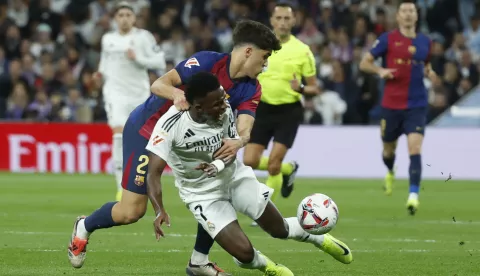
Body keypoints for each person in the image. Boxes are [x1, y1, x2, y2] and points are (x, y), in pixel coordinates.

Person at [68, 20, 281, 276]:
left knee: (220, 186)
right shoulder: (207, 62)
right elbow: (158, 84)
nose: (265, 64)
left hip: (192, 141)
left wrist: (241, 140)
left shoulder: (251, 87)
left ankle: (199, 262)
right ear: (248, 51)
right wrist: (176, 95)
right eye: (264, 56)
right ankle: (84, 225)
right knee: (131, 211)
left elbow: (245, 126)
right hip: (148, 130)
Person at [146, 72, 353, 276]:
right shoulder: (170, 125)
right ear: (198, 107)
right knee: (244, 255)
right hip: (202, 194)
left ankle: (319, 238)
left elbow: (231, 148)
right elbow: (153, 173)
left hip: (234, 177)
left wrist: (216, 166)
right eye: (217, 103)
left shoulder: (223, 109)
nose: (224, 105)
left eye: (223, 99)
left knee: (279, 229)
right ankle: (269, 267)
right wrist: (158, 210)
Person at [359, 0, 437, 215]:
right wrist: (380, 71)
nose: (408, 14)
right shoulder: (388, 39)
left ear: (417, 15)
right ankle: (390, 169)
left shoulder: (425, 42)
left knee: (415, 148)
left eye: (412, 11)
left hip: (417, 105)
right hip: (391, 105)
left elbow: (427, 63)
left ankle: (413, 196)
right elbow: (364, 63)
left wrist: (430, 72)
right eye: (404, 11)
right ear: (398, 16)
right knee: (388, 150)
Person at [243, 2, 320, 218]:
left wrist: (302, 88)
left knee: (273, 162)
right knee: (249, 161)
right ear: (272, 21)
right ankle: (288, 170)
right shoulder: (259, 47)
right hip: (262, 109)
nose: (283, 23)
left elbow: (315, 87)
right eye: (279, 18)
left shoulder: (303, 51)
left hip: (288, 112)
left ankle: (264, 214)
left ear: (294, 21)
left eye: (287, 18)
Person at [93, 1, 166, 201]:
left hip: (139, 94)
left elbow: (159, 62)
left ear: (134, 18)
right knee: (118, 136)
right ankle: (120, 187)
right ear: (115, 19)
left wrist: (139, 58)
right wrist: (99, 75)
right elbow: (104, 63)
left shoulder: (144, 37)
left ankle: (140, 184)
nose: (124, 18)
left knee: (140, 141)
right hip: (114, 93)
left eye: (128, 15)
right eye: (120, 15)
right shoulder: (108, 39)